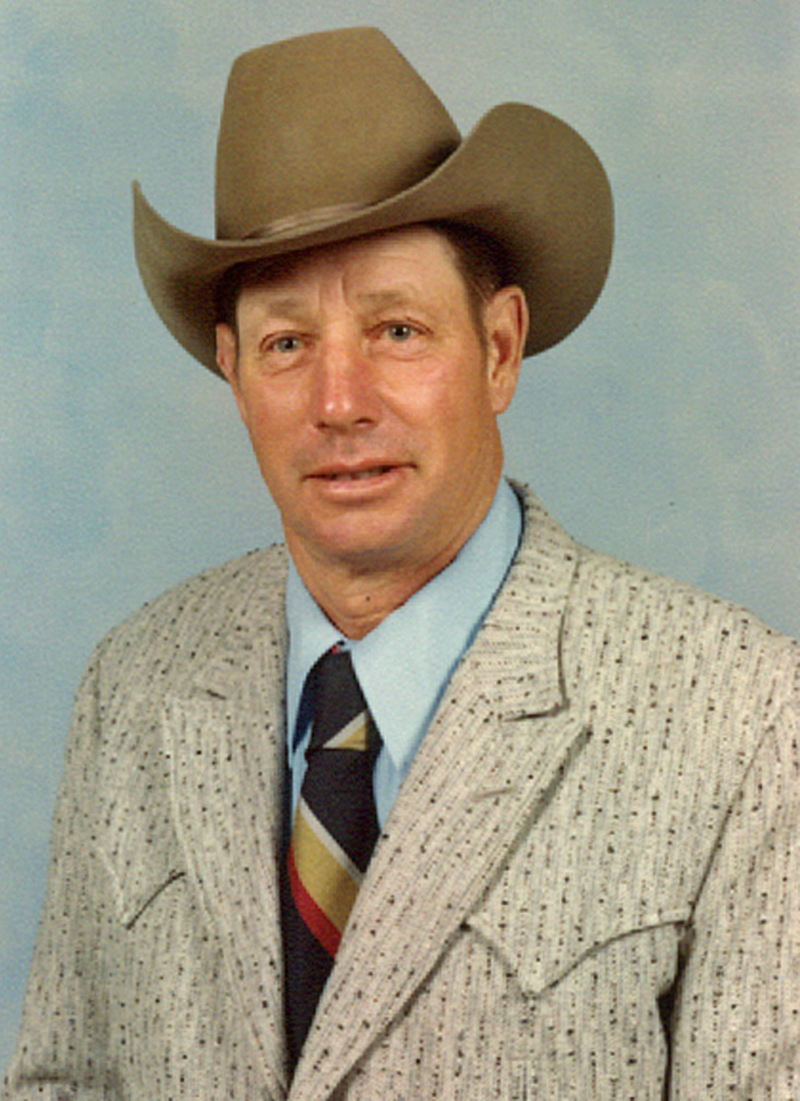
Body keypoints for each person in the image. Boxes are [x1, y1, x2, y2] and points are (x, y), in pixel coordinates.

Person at [4, 26, 798, 1101]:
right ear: (232, 371)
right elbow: (60, 1081)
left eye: (397, 331)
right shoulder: (132, 688)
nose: (339, 403)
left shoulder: (740, 715)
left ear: (499, 348)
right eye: (287, 344)